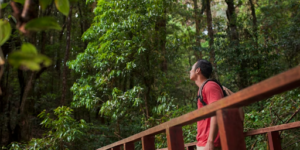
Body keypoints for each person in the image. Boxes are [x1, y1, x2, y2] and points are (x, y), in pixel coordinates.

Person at [189, 59, 222, 150]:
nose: (190, 71)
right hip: (203, 142)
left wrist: (210, 141)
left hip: (211, 144)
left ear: (197, 70)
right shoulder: (202, 88)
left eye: (192, 68)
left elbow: (216, 111)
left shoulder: (210, 86)